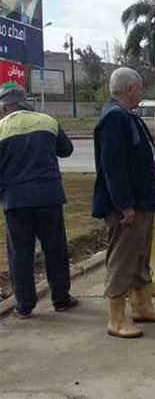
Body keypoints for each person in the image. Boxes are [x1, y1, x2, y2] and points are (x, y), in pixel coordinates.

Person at [92, 68, 155, 338]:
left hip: (141, 201)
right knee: (123, 259)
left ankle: (142, 306)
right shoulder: (114, 119)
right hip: (127, 207)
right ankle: (116, 320)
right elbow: (113, 167)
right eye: (139, 88)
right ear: (129, 90)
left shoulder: (126, 116)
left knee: (139, 257)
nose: (141, 93)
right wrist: (124, 204)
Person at [0, 82, 77, 319]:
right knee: (55, 249)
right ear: (26, 101)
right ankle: (61, 299)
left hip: (16, 201)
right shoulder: (47, 121)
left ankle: (24, 306)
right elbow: (66, 150)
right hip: (49, 197)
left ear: (5, 107)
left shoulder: (1, 128)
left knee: (20, 254)